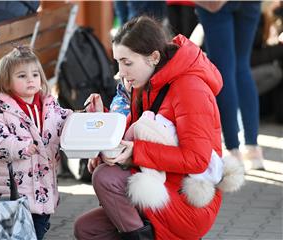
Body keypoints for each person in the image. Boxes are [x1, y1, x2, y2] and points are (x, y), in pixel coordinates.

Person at [75, 16, 224, 239]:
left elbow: (196, 159)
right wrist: (101, 121)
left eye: (127, 62)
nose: (121, 72)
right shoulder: (146, 81)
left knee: (106, 177)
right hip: (156, 183)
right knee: (86, 230)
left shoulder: (190, 88)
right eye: (117, 62)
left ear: (153, 57)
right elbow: (133, 130)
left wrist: (135, 153)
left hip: (190, 200)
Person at [0, 46, 72, 240]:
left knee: (37, 230)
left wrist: (87, 117)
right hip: (12, 193)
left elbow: (66, 122)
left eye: (35, 74)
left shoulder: (50, 106)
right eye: (22, 76)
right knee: (16, 234)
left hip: (42, 191)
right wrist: (19, 147)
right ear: (6, 81)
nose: (30, 79)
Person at [195, 1, 264, 170]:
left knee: (224, 70)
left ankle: (233, 151)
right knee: (242, 66)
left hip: (217, 5)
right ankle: (253, 149)